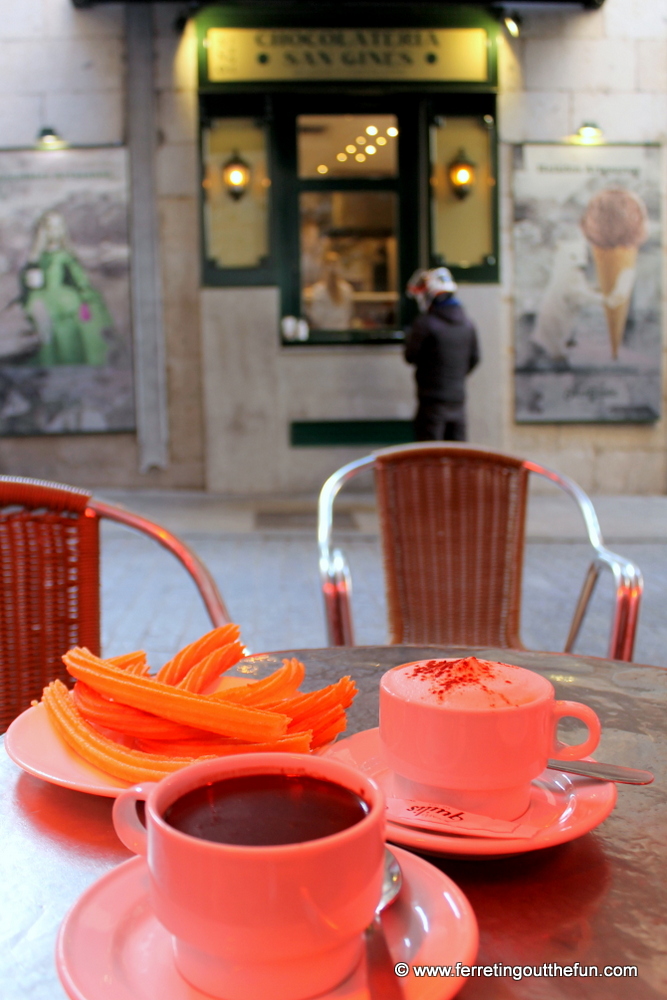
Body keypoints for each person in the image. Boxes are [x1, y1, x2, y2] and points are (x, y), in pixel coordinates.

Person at [19, 211, 112, 366]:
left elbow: (80, 280)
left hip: (64, 302)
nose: (52, 231)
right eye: (48, 226)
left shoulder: (65, 256)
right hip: (43, 299)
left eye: (56, 226)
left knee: (67, 335)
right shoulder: (37, 256)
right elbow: (30, 280)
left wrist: (86, 300)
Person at [404, 267, 480, 441]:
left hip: (431, 403)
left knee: (430, 458)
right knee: (457, 458)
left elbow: (410, 356)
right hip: (458, 401)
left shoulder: (425, 323)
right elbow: (475, 359)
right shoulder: (467, 324)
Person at [308, 251, 354, 331]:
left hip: (326, 335)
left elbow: (316, 317)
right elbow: (348, 314)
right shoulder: (347, 289)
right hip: (341, 333)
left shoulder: (318, 290)